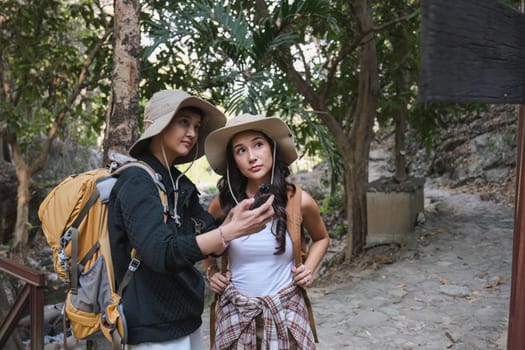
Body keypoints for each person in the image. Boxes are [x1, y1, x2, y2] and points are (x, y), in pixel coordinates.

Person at [108, 90, 275, 349]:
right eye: (183, 122)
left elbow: (211, 236)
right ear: (159, 127)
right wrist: (227, 232)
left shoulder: (180, 183)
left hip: (187, 319)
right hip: (153, 329)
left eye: (196, 126)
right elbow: (160, 252)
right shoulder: (136, 181)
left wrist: (233, 221)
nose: (192, 133)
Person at [203, 113, 330, 349]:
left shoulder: (298, 200)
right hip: (236, 316)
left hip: (286, 313)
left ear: (272, 149)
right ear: (234, 160)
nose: (252, 157)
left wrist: (309, 269)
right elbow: (202, 241)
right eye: (241, 150)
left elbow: (321, 238)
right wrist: (212, 272)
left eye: (258, 145)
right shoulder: (224, 203)